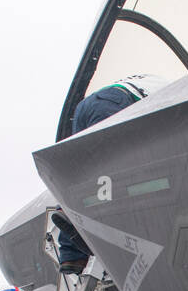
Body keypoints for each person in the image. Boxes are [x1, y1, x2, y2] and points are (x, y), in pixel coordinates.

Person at [54, 73, 169, 273]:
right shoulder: (183, 89)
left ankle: (71, 256)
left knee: (82, 174)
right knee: (113, 169)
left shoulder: (155, 81)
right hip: (118, 103)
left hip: (88, 107)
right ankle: (73, 217)